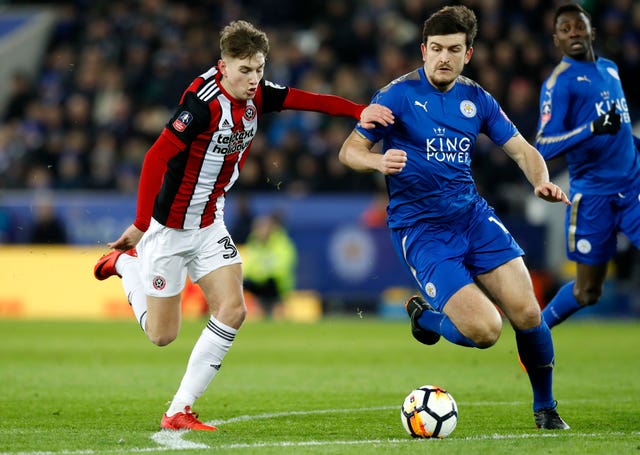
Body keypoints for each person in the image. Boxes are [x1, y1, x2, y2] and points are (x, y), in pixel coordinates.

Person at [92, 20, 393, 431]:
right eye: (245, 70)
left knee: (233, 311)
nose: (254, 80)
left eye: (259, 69)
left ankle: (179, 409)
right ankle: (126, 265)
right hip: (170, 230)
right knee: (163, 336)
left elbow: (312, 101)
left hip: (211, 224)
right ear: (224, 65)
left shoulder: (258, 97)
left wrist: (359, 110)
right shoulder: (201, 105)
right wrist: (142, 225)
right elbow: (154, 159)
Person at [338, 5, 571, 430]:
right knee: (486, 331)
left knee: (528, 312)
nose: (444, 57)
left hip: (472, 217)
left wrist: (541, 181)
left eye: (455, 49)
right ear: (423, 50)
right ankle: (424, 317)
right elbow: (349, 150)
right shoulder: (396, 96)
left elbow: (521, 148)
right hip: (423, 230)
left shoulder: (476, 98)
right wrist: (376, 162)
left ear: (469, 53)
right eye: (438, 49)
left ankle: (546, 409)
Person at [534, 3, 640, 328]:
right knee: (587, 291)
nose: (573, 33)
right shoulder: (558, 84)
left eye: (579, 27)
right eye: (565, 30)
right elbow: (543, 145)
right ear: (557, 40)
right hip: (593, 196)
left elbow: (620, 128)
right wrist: (590, 128)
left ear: (591, 32)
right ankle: (535, 336)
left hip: (633, 185)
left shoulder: (609, 68)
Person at [242, 212, 297, 318]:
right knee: (243, 282)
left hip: (277, 284)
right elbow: (248, 266)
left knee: (271, 281)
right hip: (259, 282)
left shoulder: (281, 242)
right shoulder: (254, 243)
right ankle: (257, 311)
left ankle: (277, 311)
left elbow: (283, 267)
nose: (260, 231)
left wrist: (262, 273)